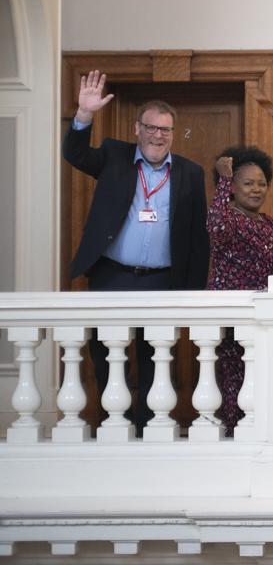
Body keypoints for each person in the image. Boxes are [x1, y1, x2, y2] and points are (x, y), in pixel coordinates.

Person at [62, 69, 209, 432]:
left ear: (173, 134)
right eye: (151, 127)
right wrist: (84, 115)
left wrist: (193, 293)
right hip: (112, 275)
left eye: (165, 130)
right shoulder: (114, 157)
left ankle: (144, 426)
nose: (158, 135)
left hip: (161, 280)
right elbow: (75, 154)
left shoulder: (190, 173)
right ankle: (110, 424)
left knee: (152, 356)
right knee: (104, 351)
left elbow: (197, 237)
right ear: (137, 129)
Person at [206, 146, 273, 434]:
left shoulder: (270, 224)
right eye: (247, 183)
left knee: (262, 382)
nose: (256, 189)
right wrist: (223, 180)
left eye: (261, 183)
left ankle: (260, 434)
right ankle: (234, 437)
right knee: (233, 383)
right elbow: (215, 228)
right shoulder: (226, 216)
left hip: (264, 317)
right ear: (232, 186)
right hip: (233, 317)